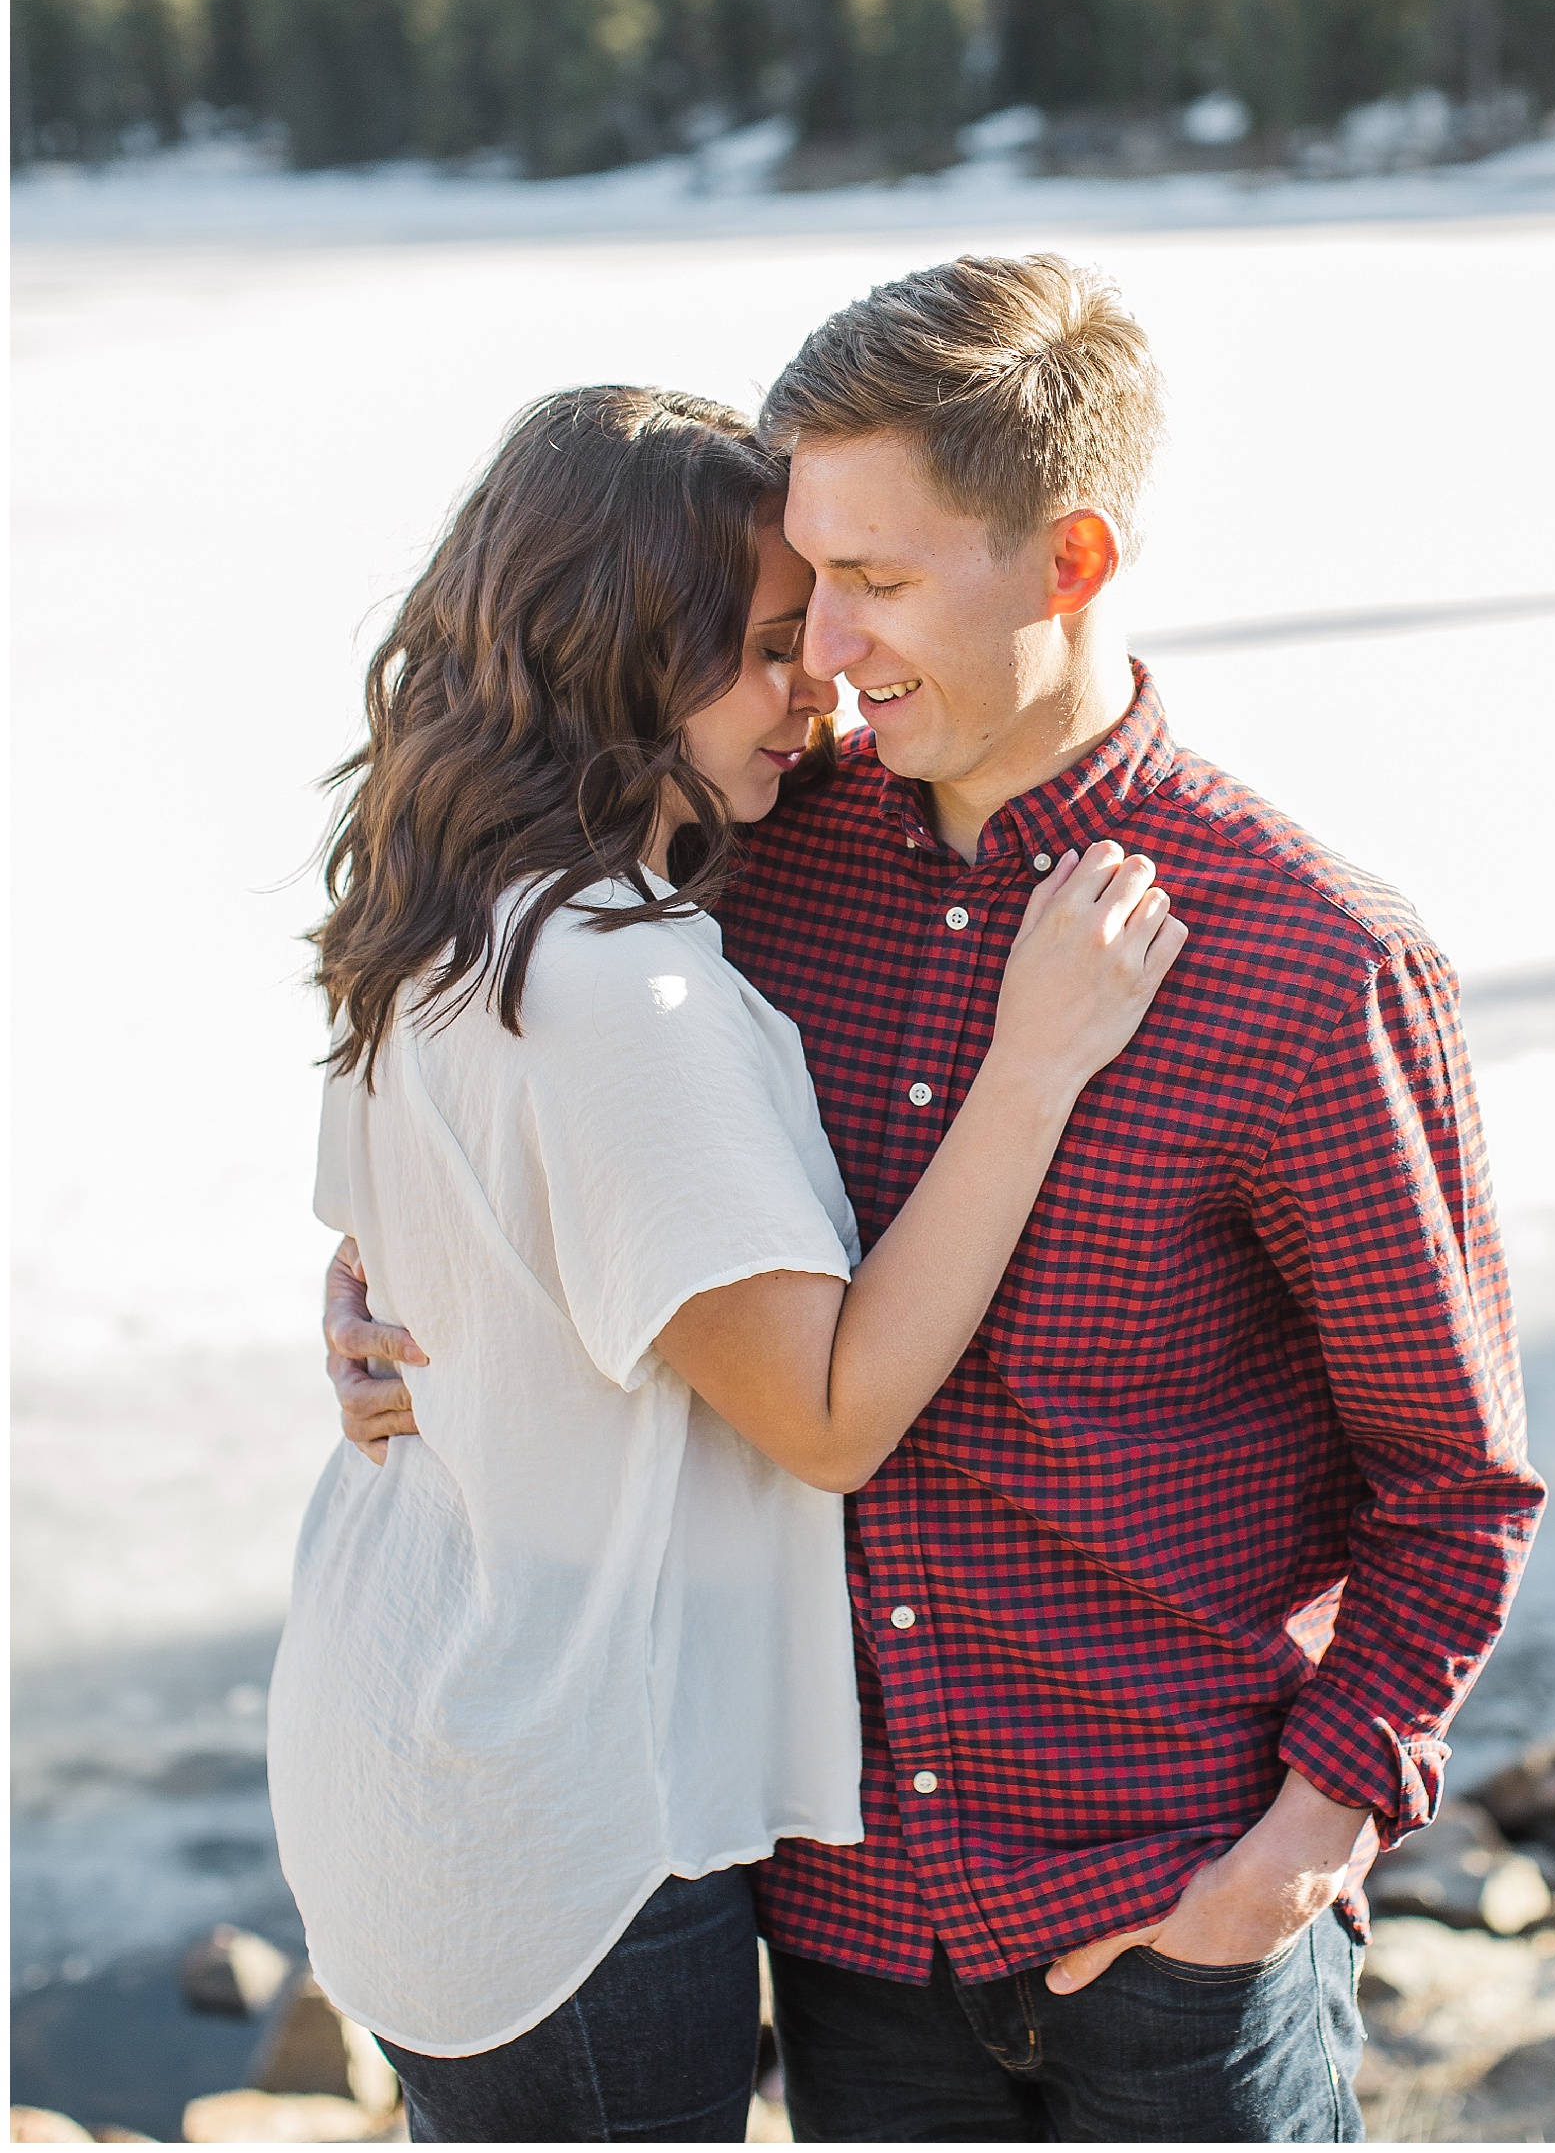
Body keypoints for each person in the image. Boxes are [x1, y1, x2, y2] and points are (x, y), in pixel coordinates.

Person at [328, 255, 1545, 2144]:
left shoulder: (1311, 965)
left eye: (878, 582)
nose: (819, 642)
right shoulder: (750, 883)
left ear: (1068, 561)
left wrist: (1298, 1854)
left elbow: (1456, 1485)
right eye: (805, 579)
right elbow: (546, 1127)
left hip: (1175, 1937)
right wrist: (388, 1292)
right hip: (843, 1931)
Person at [270, 381, 1187, 2145]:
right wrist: (1033, 1059)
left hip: (408, 1718)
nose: (823, 682)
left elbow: (394, 1248)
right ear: (617, 653)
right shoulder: (630, 987)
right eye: (769, 646)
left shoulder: (443, 895)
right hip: (568, 1813)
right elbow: (830, 1415)